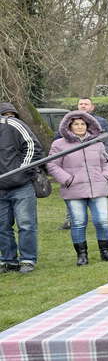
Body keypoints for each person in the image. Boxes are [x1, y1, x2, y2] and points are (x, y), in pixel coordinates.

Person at [47, 111, 108, 265]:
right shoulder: (59, 145)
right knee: (78, 222)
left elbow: (107, 162)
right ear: (69, 126)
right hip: (74, 189)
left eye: (83, 124)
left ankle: (105, 252)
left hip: (98, 188)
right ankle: (82, 255)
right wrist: (68, 180)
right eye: (76, 124)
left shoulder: (97, 143)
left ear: (88, 125)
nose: (80, 126)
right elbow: (52, 165)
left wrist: (105, 176)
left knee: (102, 221)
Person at [55, 97, 108, 230]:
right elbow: (58, 141)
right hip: (73, 168)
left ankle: (100, 222)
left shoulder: (101, 122)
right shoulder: (67, 122)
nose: (83, 106)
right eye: (81, 104)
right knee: (74, 194)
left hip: (94, 167)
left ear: (92, 107)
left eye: (86, 104)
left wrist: (97, 153)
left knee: (97, 199)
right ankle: (71, 221)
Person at [0, 103, 42, 275]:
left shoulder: (14, 124)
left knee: (26, 223)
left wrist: (21, 172)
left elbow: (34, 148)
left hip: (21, 185)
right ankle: (8, 260)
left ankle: (27, 259)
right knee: (2, 226)